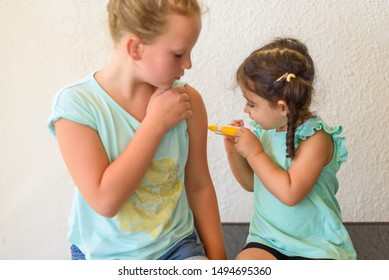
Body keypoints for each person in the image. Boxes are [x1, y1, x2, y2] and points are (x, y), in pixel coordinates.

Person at [47, 0, 226, 260]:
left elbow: (199, 186)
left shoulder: (188, 102)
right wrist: (155, 124)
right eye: (178, 53)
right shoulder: (76, 105)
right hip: (104, 257)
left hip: (176, 248)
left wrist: (220, 265)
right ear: (135, 48)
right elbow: (105, 202)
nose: (188, 64)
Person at [224, 38, 356, 260]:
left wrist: (254, 153)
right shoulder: (265, 131)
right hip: (267, 240)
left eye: (252, 103)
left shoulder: (316, 139)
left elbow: (290, 192)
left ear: (282, 107)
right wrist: (234, 152)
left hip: (316, 247)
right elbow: (251, 183)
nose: (245, 109)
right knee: (244, 266)